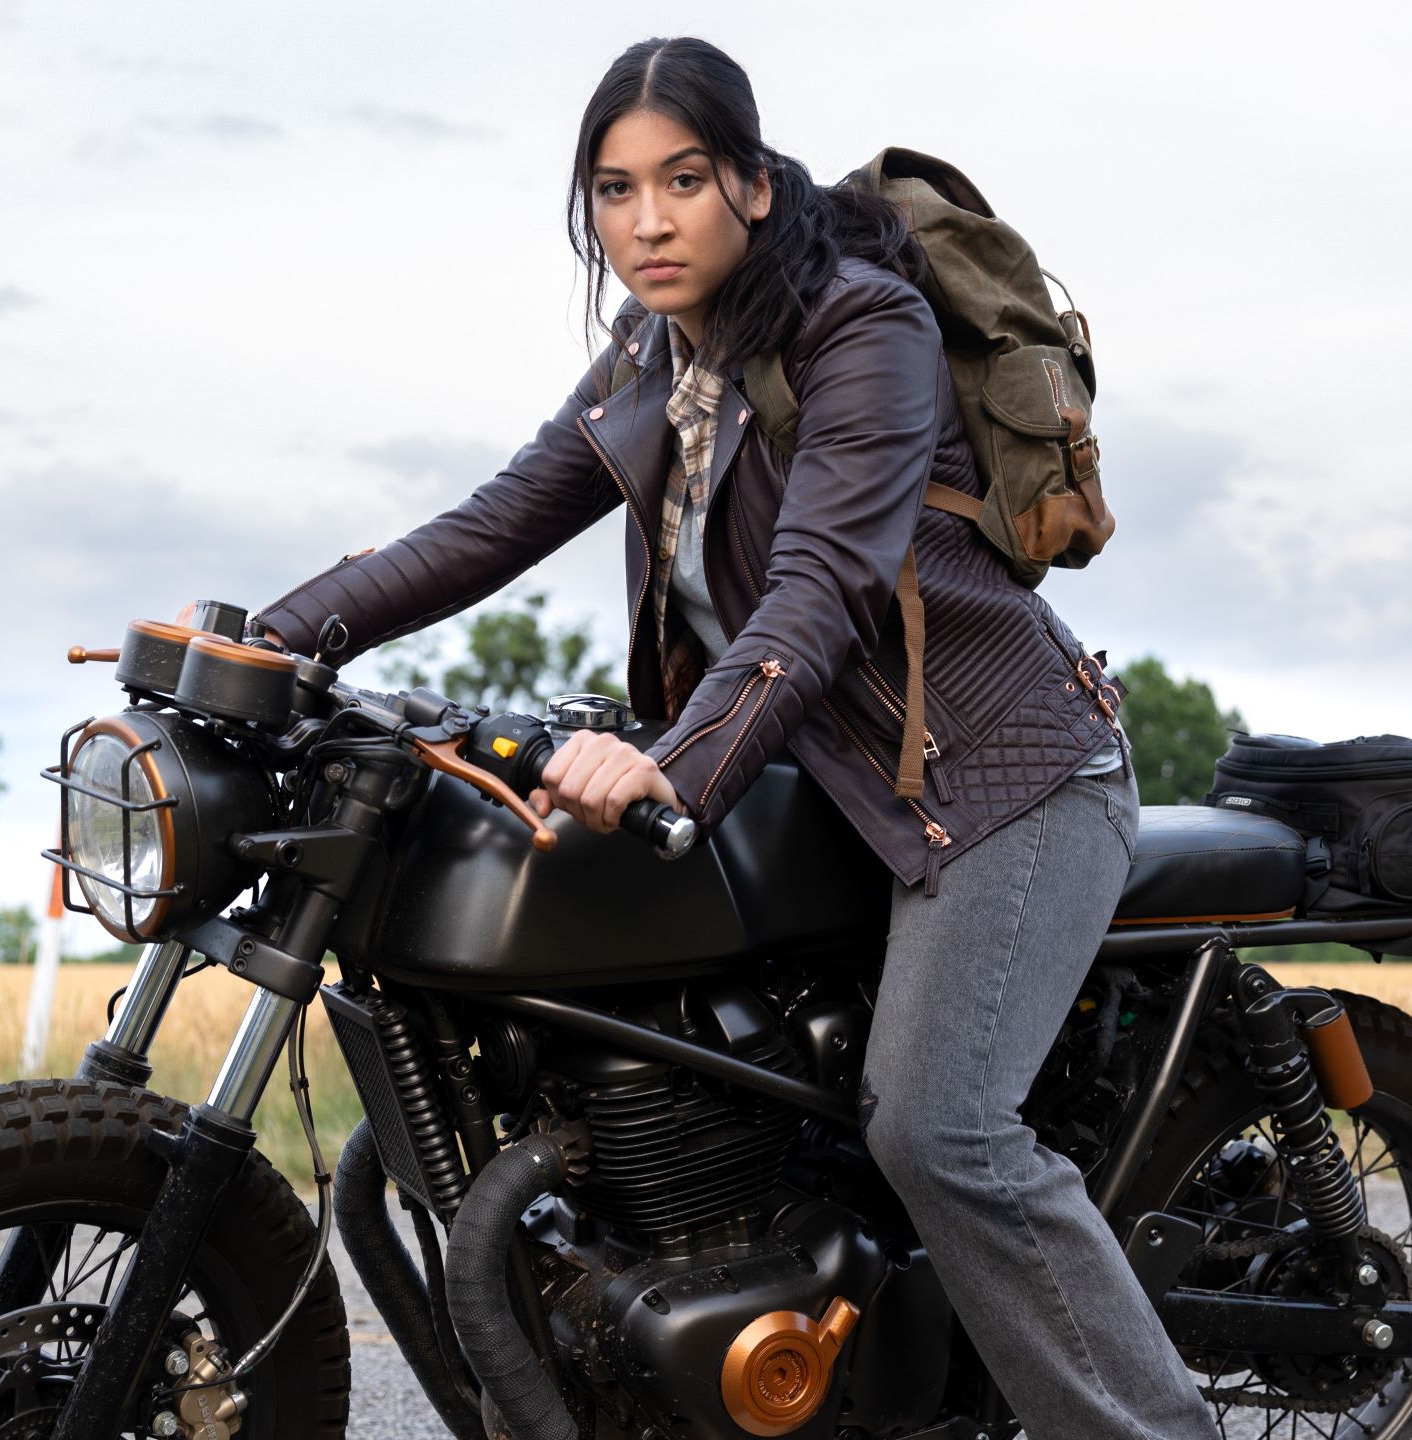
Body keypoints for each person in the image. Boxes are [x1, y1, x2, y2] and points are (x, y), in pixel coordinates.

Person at [255, 35, 1219, 1440]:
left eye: (683, 181)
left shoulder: (863, 329)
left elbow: (815, 592)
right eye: (613, 189)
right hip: (831, 782)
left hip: (1005, 780)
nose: (646, 221)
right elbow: (490, 525)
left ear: (754, 187)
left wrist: (675, 764)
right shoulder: (658, 354)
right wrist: (273, 635)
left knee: (938, 1130)